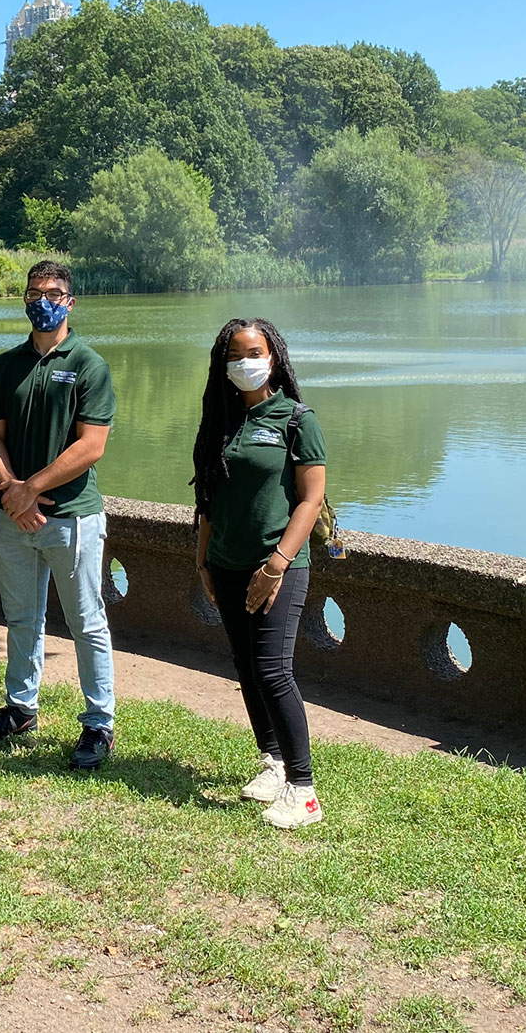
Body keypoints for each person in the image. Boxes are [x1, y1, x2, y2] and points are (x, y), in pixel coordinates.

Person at [0, 260, 118, 769]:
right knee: (21, 618)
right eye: (34, 292)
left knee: (86, 622)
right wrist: (10, 489)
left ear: (70, 301)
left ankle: (99, 724)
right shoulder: (5, 365)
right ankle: (20, 709)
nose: (42, 300)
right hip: (11, 517)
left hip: (70, 517)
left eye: (53, 292)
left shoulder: (90, 365)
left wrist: (30, 489)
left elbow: (91, 446)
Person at [191, 318, 329, 829]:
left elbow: (311, 499)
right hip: (225, 562)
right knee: (246, 666)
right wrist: (202, 558)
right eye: (235, 355)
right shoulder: (219, 420)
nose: (245, 362)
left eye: (255, 352)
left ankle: (304, 789)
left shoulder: (296, 419)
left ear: (274, 357)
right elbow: (207, 497)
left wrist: (277, 563)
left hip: (278, 564)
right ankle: (272, 763)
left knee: (273, 670)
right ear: (223, 365)